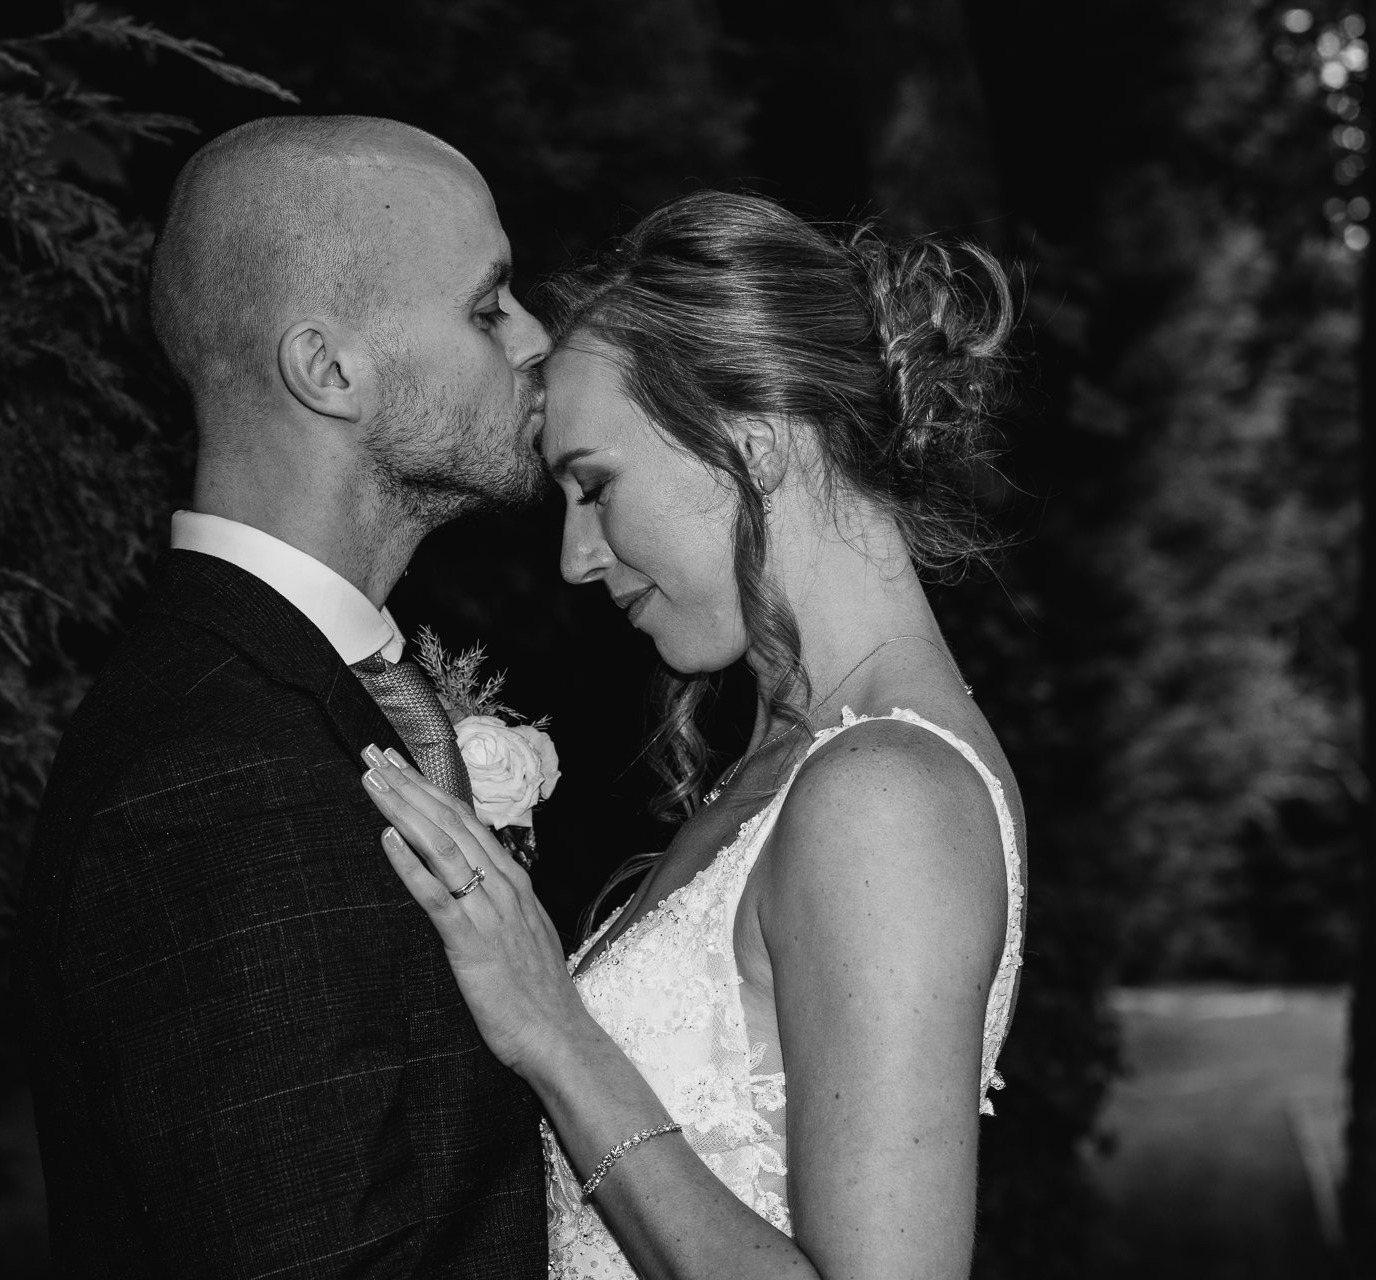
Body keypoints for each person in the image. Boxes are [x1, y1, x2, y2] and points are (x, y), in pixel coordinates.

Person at [358, 191, 1027, 1279]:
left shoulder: (885, 796)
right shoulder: (804, 762)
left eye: (594, 485)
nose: (576, 557)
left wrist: (557, 1034)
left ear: (753, 448)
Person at [15, 115, 553, 1277]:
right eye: (487, 306)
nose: (537, 338)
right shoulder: (216, 774)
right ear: (328, 369)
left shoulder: (312, 692)